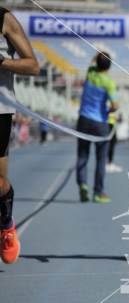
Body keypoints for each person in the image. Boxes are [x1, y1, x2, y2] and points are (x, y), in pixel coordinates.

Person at [0, 7, 39, 264]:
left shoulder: (5, 19)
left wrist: (1, 62)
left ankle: (5, 223)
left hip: (0, 109)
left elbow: (33, 65)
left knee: (0, 184)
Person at [76, 51, 118, 203]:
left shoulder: (90, 72)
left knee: (82, 156)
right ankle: (98, 193)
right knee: (101, 159)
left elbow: (93, 61)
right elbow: (115, 105)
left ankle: (83, 185)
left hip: (83, 120)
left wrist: (97, 56)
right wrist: (108, 111)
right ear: (109, 66)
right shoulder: (109, 83)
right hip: (100, 122)